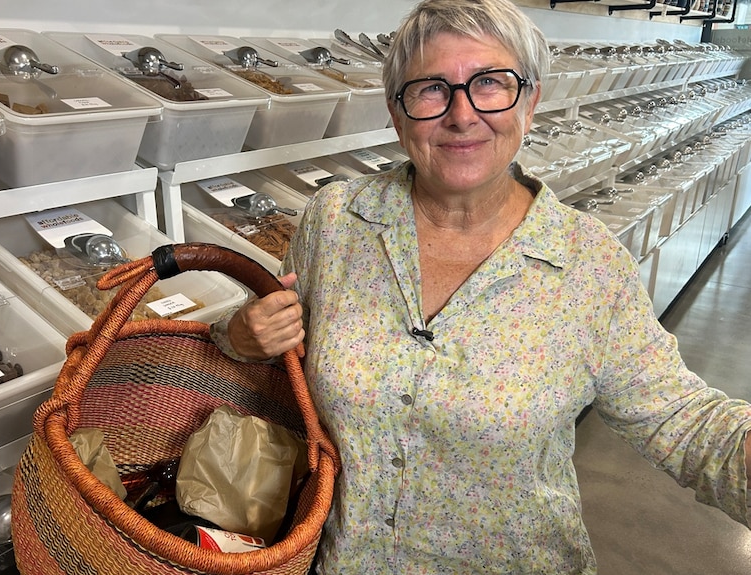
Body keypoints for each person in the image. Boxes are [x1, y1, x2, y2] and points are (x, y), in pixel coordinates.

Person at [210, 0, 751, 572]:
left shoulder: (587, 265)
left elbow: (687, 421)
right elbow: (271, 355)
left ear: (531, 99)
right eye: (430, 89)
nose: (462, 115)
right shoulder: (336, 222)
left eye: (490, 83)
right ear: (397, 113)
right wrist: (239, 337)